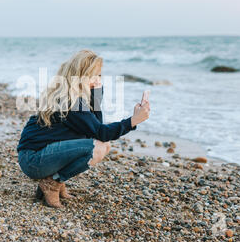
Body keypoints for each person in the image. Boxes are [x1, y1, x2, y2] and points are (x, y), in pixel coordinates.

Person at [17, 49, 150, 208]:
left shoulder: (71, 97)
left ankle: (57, 181)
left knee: (100, 143)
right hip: (33, 161)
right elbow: (101, 133)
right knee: (99, 147)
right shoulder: (71, 101)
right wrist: (133, 120)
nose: (98, 79)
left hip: (36, 157)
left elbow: (95, 129)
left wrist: (96, 97)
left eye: (100, 75)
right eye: (95, 75)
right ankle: (52, 183)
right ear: (82, 76)